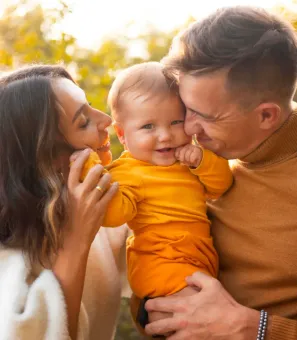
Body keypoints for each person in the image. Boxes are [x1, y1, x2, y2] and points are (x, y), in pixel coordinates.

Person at [143, 6, 297, 340]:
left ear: (267, 115)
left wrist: (255, 329)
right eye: (186, 110)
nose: (188, 128)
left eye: (204, 115)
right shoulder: (198, 159)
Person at [0, 65, 129, 340]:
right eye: (83, 122)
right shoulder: (8, 258)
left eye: (91, 107)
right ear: (43, 159)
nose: (106, 120)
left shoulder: (100, 212)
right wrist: (75, 243)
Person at [95, 61, 232, 301]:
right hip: (160, 261)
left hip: (200, 258)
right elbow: (113, 216)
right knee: (196, 314)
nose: (165, 135)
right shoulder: (127, 171)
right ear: (122, 134)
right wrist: (95, 176)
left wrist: (202, 160)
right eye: (148, 126)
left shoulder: (190, 160)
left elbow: (221, 185)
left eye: (176, 122)